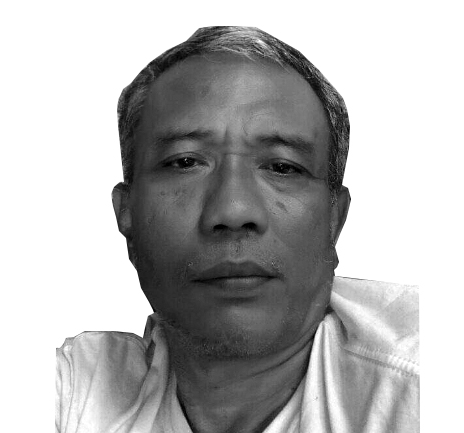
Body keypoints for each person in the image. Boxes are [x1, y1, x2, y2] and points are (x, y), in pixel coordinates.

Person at [55, 26, 419, 433]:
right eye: (185, 162)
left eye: (282, 167)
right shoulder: (79, 395)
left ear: (335, 218)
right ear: (126, 212)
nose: (232, 210)